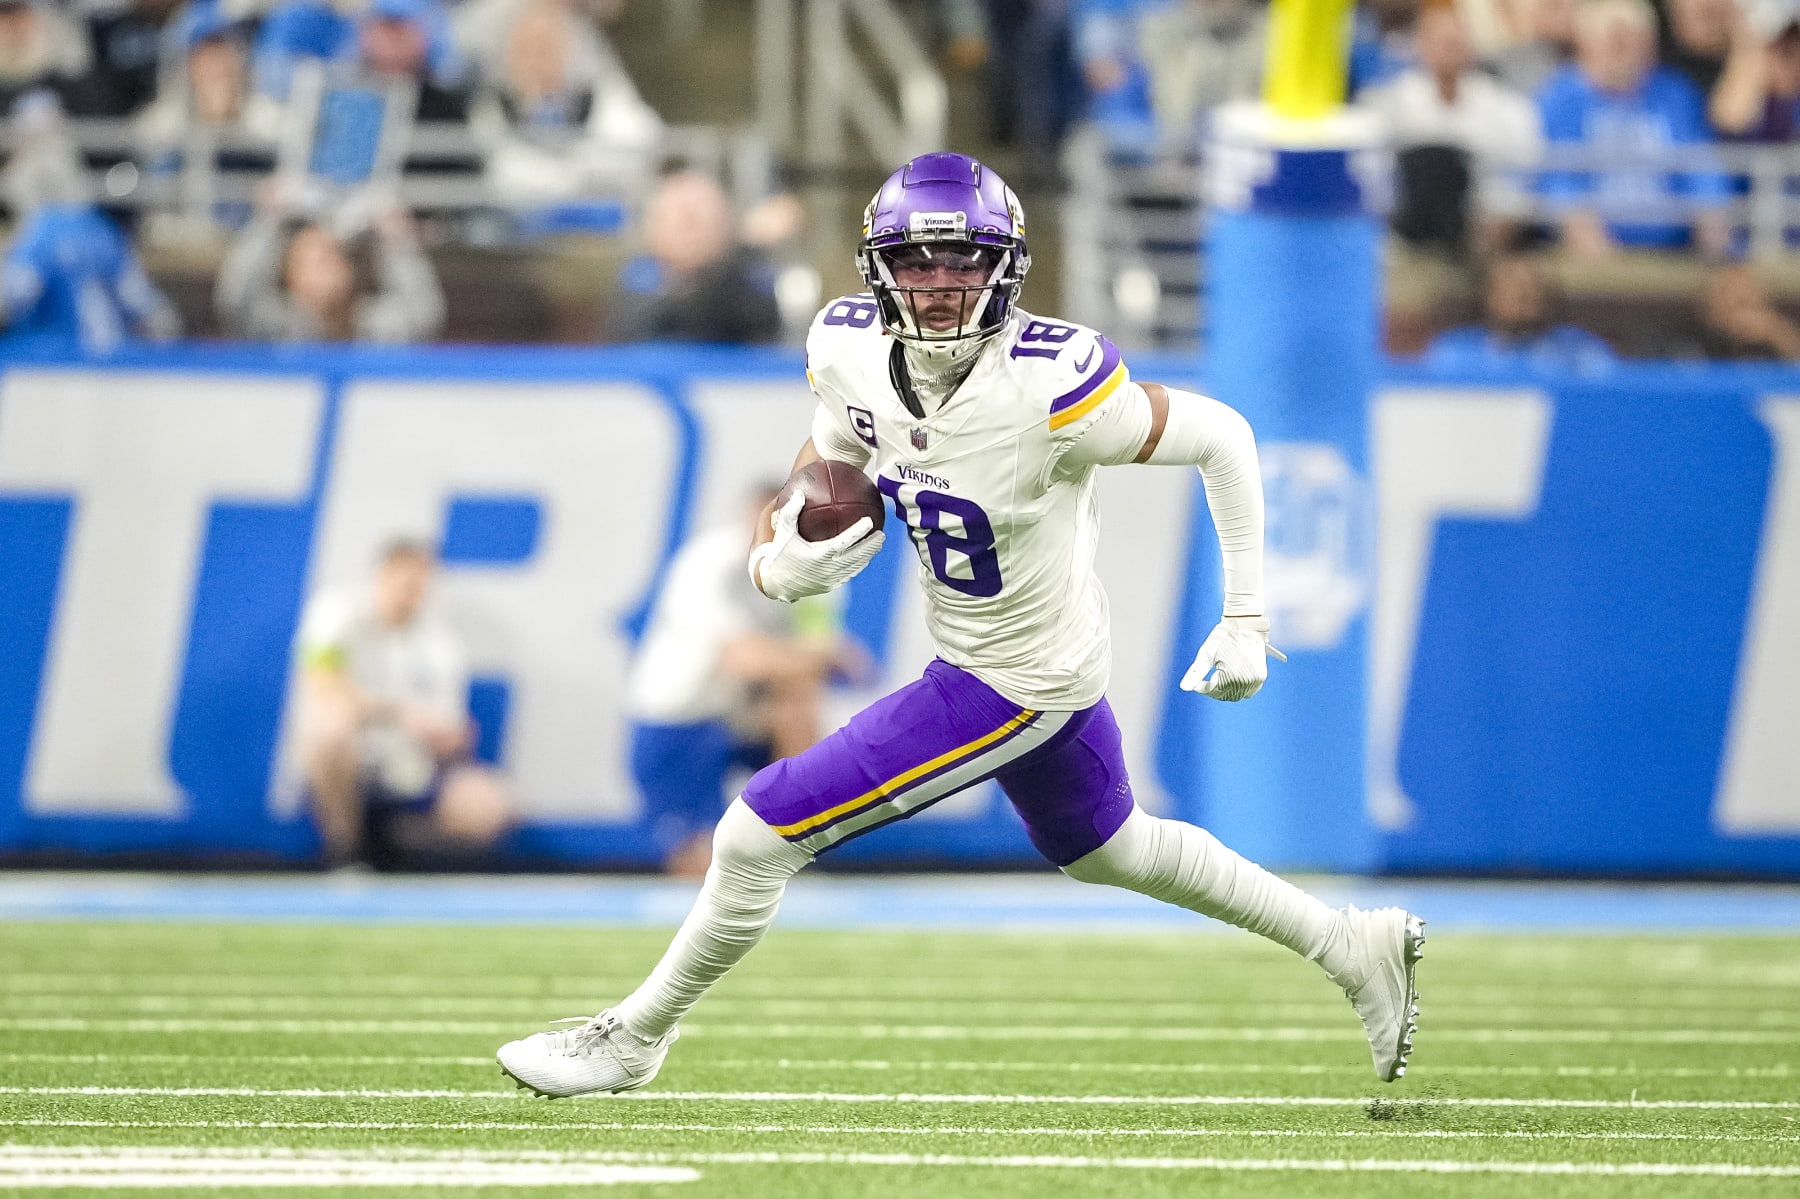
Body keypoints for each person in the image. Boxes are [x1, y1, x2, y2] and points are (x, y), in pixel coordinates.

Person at [496, 152, 1426, 1098]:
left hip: (1014, 679)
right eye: (919, 262)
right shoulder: (848, 346)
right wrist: (785, 543)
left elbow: (1222, 435)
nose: (941, 285)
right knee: (1117, 848)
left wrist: (1245, 612)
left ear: (1007, 268)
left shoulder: (1053, 381)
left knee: (754, 834)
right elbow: (833, 448)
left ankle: (634, 1037)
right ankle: (1351, 944)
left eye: (965, 261)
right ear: (877, 269)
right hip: (1014, 655)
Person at [625, 485, 868, 877]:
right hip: (681, 718)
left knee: (797, 711)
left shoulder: (820, 572)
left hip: (741, 713)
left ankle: (798, 837)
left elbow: (812, 669)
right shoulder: (709, 563)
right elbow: (745, 660)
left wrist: (814, 662)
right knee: (700, 866)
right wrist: (821, 657)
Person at [294, 539, 512, 870]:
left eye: (421, 583)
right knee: (328, 733)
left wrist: (448, 736)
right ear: (383, 574)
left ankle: (394, 848)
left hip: (411, 771)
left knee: (489, 805)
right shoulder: (335, 613)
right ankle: (345, 853)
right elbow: (325, 685)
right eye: (406, 580)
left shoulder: (440, 643)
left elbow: (449, 729)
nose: (413, 592)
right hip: (352, 767)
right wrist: (397, 712)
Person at [1535, 0, 1732, 256]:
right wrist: (1599, 253)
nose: (1623, 48)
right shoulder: (1560, 97)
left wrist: (1714, 235)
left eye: (1633, 39)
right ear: (1584, 42)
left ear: (1651, 44)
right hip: (1589, 254)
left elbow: (1702, 171)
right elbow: (1559, 183)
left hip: (1674, 251)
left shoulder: (1676, 94)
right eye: (1613, 39)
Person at [1367, 4, 1543, 255]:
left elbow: (1522, 176)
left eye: (1455, 43)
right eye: (1440, 43)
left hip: (1482, 232)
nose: (1448, 51)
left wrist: (1495, 228)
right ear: (1421, 47)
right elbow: (1375, 177)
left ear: (1471, 46)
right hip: (1408, 235)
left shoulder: (1507, 109)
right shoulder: (1391, 105)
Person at [213, 181, 446, 342]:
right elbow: (236, 301)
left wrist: (397, 239)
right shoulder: (276, 328)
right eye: (307, 262)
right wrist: (268, 221)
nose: (324, 269)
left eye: (331, 256)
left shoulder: (375, 327)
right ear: (289, 276)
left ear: (351, 270)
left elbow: (422, 316)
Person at [608, 170, 782, 344]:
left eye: (709, 220)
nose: (695, 234)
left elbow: (748, 321)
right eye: (686, 220)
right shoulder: (638, 278)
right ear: (653, 229)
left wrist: (745, 250)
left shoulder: (747, 280)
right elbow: (667, 322)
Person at [1423, 250, 1616, 370]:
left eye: (1534, 285)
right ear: (1488, 295)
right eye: (1512, 286)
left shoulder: (1580, 350)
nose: (1525, 294)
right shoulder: (1455, 352)